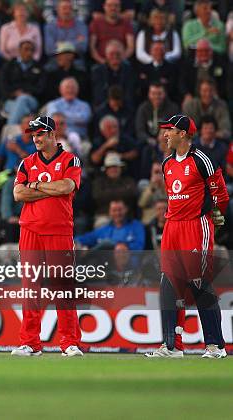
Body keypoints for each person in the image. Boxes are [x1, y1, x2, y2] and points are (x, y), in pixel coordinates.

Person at [146, 114, 229, 359]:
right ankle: (172, 346)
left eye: (169, 130)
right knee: (169, 284)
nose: (165, 135)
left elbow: (221, 195)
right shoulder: (167, 163)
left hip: (196, 226)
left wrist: (213, 222)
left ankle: (215, 346)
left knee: (199, 282)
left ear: (183, 133)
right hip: (172, 227)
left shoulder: (202, 159)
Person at [11, 116, 83, 357]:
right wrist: (49, 188)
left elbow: (67, 188)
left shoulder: (70, 159)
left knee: (62, 288)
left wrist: (35, 186)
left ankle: (69, 342)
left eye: (40, 134)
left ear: (53, 134)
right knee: (30, 288)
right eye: (33, 135)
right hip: (30, 230)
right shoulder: (26, 163)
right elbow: (18, 194)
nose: (36, 139)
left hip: (59, 230)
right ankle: (30, 343)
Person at [0, 40, 43, 125]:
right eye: (26, 49)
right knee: (22, 107)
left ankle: (10, 131)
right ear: (19, 50)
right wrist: (14, 93)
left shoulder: (39, 67)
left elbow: (41, 88)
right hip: (11, 100)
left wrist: (24, 92)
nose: (29, 53)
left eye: (31, 50)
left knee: (23, 99)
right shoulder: (8, 66)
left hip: (32, 100)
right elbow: (3, 86)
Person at [75, 199, 145, 250]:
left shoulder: (136, 226)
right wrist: (75, 243)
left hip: (130, 264)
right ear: (109, 212)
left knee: (109, 244)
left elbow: (139, 246)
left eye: (120, 210)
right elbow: (85, 238)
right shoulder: (104, 229)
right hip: (105, 264)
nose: (117, 213)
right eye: (114, 210)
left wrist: (118, 246)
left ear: (126, 209)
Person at [88, 0, 134, 64]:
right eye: (109, 6)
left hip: (121, 62)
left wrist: (119, 61)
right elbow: (92, 48)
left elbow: (130, 47)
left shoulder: (126, 24)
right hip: (101, 62)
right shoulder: (95, 24)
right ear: (104, 7)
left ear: (120, 8)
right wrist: (103, 61)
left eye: (116, 6)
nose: (113, 8)